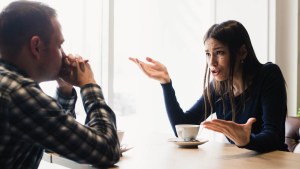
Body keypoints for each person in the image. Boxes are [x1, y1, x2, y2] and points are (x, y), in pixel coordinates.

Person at [129, 20, 288, 152]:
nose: (212, 62)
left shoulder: (269, 75)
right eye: (208, 54)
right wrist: (166, 83)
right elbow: (183, 127)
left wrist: (247, 140)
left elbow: (272, 137)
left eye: (219, 52)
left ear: (242, 52)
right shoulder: (218, 87)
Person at [0, 1, 120, 168]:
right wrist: (89, 84)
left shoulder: (7, 82)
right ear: (36, 46)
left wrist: (64, 90)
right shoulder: (18, 92)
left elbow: (57, 138)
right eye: (59, 45)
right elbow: (106, 150)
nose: (64, 55)